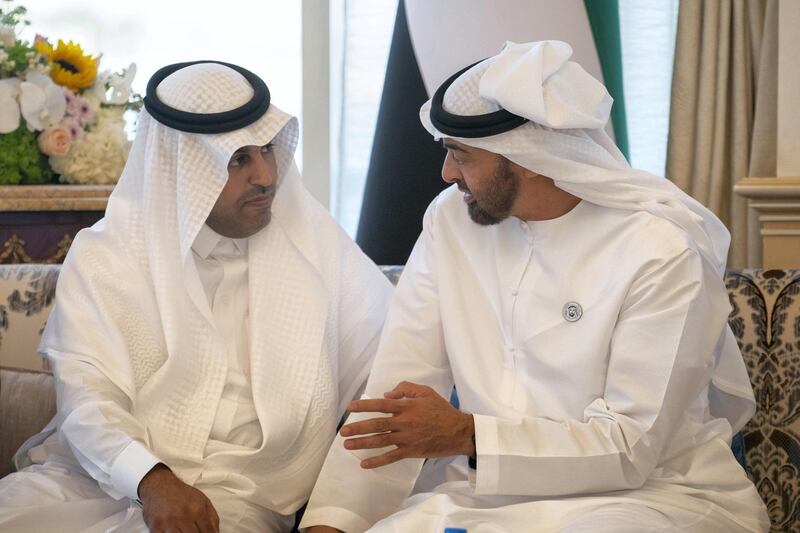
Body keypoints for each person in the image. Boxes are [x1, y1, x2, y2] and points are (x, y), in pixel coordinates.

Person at [301, 41, 770, 532]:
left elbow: (631, 449)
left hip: (647, 499)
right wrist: (337, 520)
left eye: (461, 155)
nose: (445, 174)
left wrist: (468, 435)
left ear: (525, 155)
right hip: (481, 495)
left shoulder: (660, 250)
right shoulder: (449, 222)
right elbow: (396, 395)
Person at [0, 61, 392, 532]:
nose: (266, 175)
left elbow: (391, 372)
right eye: (238, 159)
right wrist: (152, 479)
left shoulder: (318, 247)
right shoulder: (108, 256)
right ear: (184, 170)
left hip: (236, 496)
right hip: (92, 479)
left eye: (267, 149)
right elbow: (87, 399)